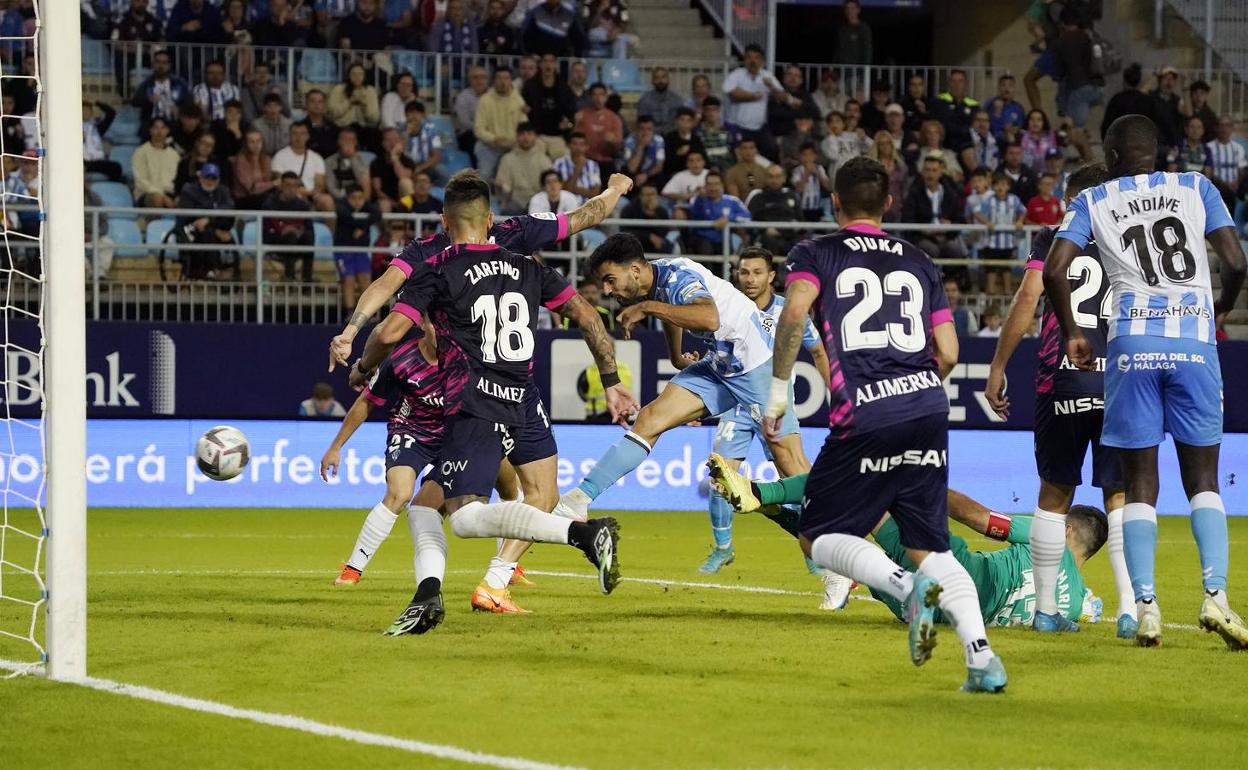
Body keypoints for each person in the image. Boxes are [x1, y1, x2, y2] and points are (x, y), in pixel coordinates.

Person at [759, 155, 1006, 692]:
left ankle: (902, 587)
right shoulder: (919, 259)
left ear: (835, 203)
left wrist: (778, 392)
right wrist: (913, 383)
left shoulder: (815, 252)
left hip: (865, 411)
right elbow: (948, 351)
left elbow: (795, 313)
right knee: (931, 547)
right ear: (889, 204)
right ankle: (982, 657)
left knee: (819, 534)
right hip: (926, 409)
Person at [349, 171, 634, 624]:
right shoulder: (529, 260)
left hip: (475, 402)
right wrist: (612, 380)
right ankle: (493, 585)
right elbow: (586, 312)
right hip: (525, 398)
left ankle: (584, 534)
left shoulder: (436, 266)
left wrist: (363, 365)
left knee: (457, 517)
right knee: (540, 493)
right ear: (492, 218)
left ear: (444, 219)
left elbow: (388, 329)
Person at [1042, 114, 1248, 649]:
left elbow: (1054, 267)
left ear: (1109, 158)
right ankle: (1216, 597)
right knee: (1204, 479)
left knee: (1138, 484)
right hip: (1194, 342)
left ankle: (1146, 606)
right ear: (1159, 154)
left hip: (1131, 345)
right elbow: (1236, 261)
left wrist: (1072, 333)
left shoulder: (1092, 200)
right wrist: (1220, 306)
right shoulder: (1196, 186)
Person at [552, 233, 834, 596]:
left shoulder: (678, 276)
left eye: (610, 279)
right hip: (719, 365)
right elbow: (676, 316)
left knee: (791, 469)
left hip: (756, 367)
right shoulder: (655, 282)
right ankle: (578, 500)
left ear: (635, 270)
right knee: (650, 418)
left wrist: (648, 309)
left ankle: (838, 557)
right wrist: (674, 353)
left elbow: (709, 317)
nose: (608, 290)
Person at [982, 163, 1136, 635]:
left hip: (1062, 378)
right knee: (1121, 497)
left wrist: (998, 366)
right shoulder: (1129, 237)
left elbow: (1029, 298)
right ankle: (1131, 608)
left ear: (1072, 202)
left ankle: (1046, 611)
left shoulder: (1053, 239)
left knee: (1053, 497)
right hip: (1120, 379)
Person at [708, 467, 1108, 630]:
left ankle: (764, 494)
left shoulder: (1049, 534)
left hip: (955, 569)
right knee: (853, 549)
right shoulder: (1072, 607)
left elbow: (983, 519)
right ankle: (775, 510)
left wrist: (929, 490)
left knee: (861, 473)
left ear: (1067, 527)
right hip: (935, 617)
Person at [320, 328, 529, 618]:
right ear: (422, 322)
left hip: (457, 437)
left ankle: (509, 562)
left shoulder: (467, 356)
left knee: (508, 483)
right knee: (399, 493)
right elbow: (366, 403)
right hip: (411, 433)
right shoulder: (401, 359)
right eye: (433, 324)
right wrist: (336, 447)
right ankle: (353, 568)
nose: (439, 331)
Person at [701, 248, 841, 602]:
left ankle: (819, 552)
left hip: (774, 406)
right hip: (735, 405)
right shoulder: (725, 307)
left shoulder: (787, 311)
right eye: (744, 272)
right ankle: (723, 547)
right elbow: (720, 357)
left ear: (770, 276)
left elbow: (819, 352)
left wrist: (836, 392)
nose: (749, 279)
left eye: (756, 273)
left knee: (796, 480)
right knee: (721, 475)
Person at [1051, 6, 1102, 161]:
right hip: (1096, 86)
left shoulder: (1062, 42)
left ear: (1062, 23)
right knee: (1079, 128)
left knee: (1075, 131)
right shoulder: (1088, 36)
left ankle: (1090, 164)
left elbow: (1059, 71)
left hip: (1077, 88)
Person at [722, 44, 787, 161]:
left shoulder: (767, 75)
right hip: (738, 126)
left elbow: (783, 97)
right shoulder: (737, 74)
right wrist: (752, 96)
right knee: (737, 156)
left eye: (756, 57)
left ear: (762, 60)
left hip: (760, 127)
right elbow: (731, 91)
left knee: (772, 150)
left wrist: (772, 87)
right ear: (745, 60)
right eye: (749, 57)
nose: (753, 61)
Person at [901, 155, 967, 266]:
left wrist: (950, 225)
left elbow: (960, 220)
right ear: (922, 172)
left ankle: (953, 282)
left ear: (941, 173)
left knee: (955, 249)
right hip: (923, 237)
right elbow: (907, 219)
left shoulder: (951, 195)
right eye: (927, 170)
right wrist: (923, 229)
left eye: (934, 170)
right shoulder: (914, 194)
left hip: (947, 236)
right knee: (930, 249)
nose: (930, 174)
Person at [175, 163, 236, 280]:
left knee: (226, 228)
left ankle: (233, 272)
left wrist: (208, 219)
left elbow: (229, 207)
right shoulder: (189, 190)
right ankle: (210, 270)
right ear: (200, 177)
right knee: (206, 233)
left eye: (214, 178)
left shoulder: (223, 191)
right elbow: (189, 214)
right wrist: (211, 222)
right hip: (189, 229)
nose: (210, 181)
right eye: (207, 177)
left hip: (213, 226)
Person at [972, 172, 1025, 296]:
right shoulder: (989, 201)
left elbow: (1022, 211)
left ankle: (1007, 293)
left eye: (1003, 184)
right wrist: (987, 222)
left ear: (1008, 186)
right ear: (993, 187)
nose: (1000, 187)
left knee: (1007, 268)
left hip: (1008, 241)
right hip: (991, 241)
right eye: (997, 185)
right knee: (991, 269)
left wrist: (1019, 221)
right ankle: (990, 293)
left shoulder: (1014, 199)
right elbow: (977, 213)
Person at [473, 66, 527, 181]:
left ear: (510, 81)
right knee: (484, 175)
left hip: (512, 145)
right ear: (493, 81)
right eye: (499, 78)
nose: (503, 82)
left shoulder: (519, 101)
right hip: (489, 145)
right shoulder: (484, 100)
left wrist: (513, 141)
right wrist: (494, 139)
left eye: (506, 78)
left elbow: (523, 126)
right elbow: (478, 129)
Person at [333, 184, 381, 309]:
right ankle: (350, 312)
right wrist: (362, 225)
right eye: (353, 198)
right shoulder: (341, 206)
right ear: (347, 198)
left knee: (365, 279)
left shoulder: (367, 206)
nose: (357, 201)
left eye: (360, 198)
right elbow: (345, 216)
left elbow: (378, 213)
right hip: (343, 249)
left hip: (361, 250)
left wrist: (361, 227)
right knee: (348, 279)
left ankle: (367, 312)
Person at [521, 53, 577, 160]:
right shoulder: (530, 86)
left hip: (558, 136)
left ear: (555, 64)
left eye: (551, 61)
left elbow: (571, 115)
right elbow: (523, 112)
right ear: (540, 65)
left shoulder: (564, 87)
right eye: (545, 61)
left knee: (565, 158)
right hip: (537, 135)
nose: (548, 64)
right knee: (534, 159)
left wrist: (568, 124)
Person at [263, 171, 316, 283]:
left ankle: (307, 280)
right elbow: (268, 229)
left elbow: (309, 228)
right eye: (288, 185)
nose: (291, 189)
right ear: (281, 186)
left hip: (297, 241)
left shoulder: (303, 205)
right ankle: (289, 279)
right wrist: (284, 230)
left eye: (294, 186)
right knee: (290, 237)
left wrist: (299, 232)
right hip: (277, 242)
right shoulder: (270, 203)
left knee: (309, 236)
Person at [683, 171, 750, 255]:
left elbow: (747, 216)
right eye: (709, 184)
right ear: (705, 186)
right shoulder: (698, 200)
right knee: (705, 248)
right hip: (702, 241)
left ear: (722, 185)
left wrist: (729, 218)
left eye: (716, 184)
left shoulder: (733, 201)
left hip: (724, 240)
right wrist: (700, 199)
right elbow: (696, 215)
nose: (713, 188)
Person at [495, 122, 553, 214]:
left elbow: (550, 185)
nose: (526, 138)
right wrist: (504, 189)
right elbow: (502, 185)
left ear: (535, 137)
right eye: (522, 134)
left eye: (529, 134)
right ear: (517, 136)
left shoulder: (544, 159)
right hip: (515, 206)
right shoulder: (507, 159)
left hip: (539, 205)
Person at [271, 122, 329, 209]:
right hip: (289, 194)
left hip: (312, 195)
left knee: (327, 201)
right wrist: (298, 192)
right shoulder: (279, 156)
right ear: (289, 136)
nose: (298, 137)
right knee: (298, 199)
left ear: (308, 136)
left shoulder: (317, 158)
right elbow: (280, 184)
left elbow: (320, 185)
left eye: (302, 133)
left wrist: (306, 193)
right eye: (295, 133)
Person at [746, 163, 801, 255]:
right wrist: (764, 230)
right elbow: (748, 222)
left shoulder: (792, 195)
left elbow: (800, 221)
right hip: (764, 239)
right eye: (771, 177)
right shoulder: (757, 196)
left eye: (778, 176)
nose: (774, 180)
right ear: (766, 178)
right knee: (769, 241)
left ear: (784, 178)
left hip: (788, 238)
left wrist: (781, 232)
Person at [130, 49, 191, 129]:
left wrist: (180, 109)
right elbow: (135, 102)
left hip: (175, 124)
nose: (161, 66)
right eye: (157, 62)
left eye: (164, 62)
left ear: (169, 65)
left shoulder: (180, 84)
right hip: (151, 125)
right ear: (153, 64)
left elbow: (190, 103)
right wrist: (148, 99)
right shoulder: (146, 84)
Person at [1100, 63, 1161, 143]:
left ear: (1124, 81)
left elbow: (1106, 126)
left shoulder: (1117, 99)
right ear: (1139, 82)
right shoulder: (1148, 101)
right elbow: (1156, 124)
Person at [574, 83, 623, 175]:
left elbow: (618, 149)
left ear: (606, 97)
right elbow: (575, 141)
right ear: (590, 97)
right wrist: (575, 125)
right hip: (586, 160)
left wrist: (612, 142)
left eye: (601, 95)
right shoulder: (581, 115)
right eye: (595, 95)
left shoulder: (614, 118)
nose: (598, 98)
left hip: (606, 161)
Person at [132, 117, 180, 208]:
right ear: (150, 130)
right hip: (147, 193)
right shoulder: (140, 152)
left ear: (167, 131)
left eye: (162, 128)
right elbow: (140, 182)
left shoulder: (174, 154)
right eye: (156, 128)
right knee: (157, 198)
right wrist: (161, 195)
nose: (159, 131)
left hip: (169, 193)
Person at [370, 128, 417, 213]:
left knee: (406, 183)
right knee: (384, 205)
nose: (392, 143)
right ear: (383, 143)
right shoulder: (376, 163)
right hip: (385, 200)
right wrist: (393, 203)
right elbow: (377, 190)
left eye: (395, 139)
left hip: (404, 200)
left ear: (401, 142)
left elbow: (404, 178)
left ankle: (410, 223)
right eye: (388, 140)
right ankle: (387, 226)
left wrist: (395, 158)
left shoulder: (408, 161)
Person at [1206, 114, 1247, 210]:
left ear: (1232, 128)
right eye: (1221, 125)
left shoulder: (1238, 147)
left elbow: (1242, 169)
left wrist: (1236, 182)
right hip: (1215, 189)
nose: (1224, 129)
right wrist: (1225, 185)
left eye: (1227, 125)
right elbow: (1209, 172)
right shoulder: (1209, 147)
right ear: (1216, 128)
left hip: (1233, 190)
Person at [868, 129, 909, 223]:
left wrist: (904, 206)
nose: (885, 147)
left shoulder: (900, 164)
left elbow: (905, 187)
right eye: (882, 144)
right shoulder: (872, 166)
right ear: (877, 146)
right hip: (877, 209)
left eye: (888, 143)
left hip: (897, 209)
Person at [933, 69, 979, 152]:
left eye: (960, 81)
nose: (956, 84)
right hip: (946, 145)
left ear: (966, 84)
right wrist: (966, 129)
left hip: (967, 145)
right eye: (953, 81)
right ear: (949, 84)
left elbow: (975, 126)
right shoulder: (940, 101)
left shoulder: (973, 104)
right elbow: (945, 124)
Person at [401, 100, 446, 184]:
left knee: (442, 170)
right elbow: (398, 152)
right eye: (411, 112)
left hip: (425, 166)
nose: (414, 116)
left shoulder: (433, 130)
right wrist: (406, 134)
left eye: (417, 112)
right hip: (405, 166)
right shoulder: (400, 130)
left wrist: (419, 168)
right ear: (405, 115)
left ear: (423, 115)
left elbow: (437, 156)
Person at [620, 182, 673, 254]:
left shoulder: (661, 211)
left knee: (667, 244)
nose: (650, 198)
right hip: (635, 244)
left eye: (653, 194)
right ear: (641, 196)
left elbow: (664, 232)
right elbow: (624, 231)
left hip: (655, 245)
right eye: (648, 195)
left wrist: (653, 215)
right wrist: (648, 236)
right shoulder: (629, 209)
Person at [521, 0, 587, 56]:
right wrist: (530, 54)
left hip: (562, 59)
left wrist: (575, 55)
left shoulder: (570, 15)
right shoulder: (535, 12)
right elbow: (524, 36)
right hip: (539, 58)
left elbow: (579, 39)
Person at [659, 107, 704, 189]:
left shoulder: (696, 139)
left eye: (688, 120)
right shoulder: (669, 138)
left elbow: (703, 159)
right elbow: (665, 163)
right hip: (673, 174)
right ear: (676, 121)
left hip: (693, 174)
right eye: (682, 120)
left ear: (693, 123)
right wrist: (677, 154)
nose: (685, 123)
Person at [325, 127, 371, 204]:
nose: (348, 143)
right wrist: (348, 197)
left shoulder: (363, 161)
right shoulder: (329, 162)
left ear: (356, 142)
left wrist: (352, 159)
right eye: (344, 140)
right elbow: (331, 187)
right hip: (339, 200)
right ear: (338, 142)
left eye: (351, 140)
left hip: (360, 200)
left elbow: (365, 186)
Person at [553, 131, 602, 204]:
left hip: (588, 206)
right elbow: (561, 190)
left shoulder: (593, 165)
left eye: (582, 144)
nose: (578, 147)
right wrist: (578, 168)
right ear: (568, 145)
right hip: (566, 207)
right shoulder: (559, 163)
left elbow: (595, 194)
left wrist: (572, 188)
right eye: (575, 144)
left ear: (586, 147)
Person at [231, 129, 275, 209]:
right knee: (268, 200)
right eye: (252, 141)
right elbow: (252, 189)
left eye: (259, 141)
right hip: (244, 200)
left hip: (263, 197)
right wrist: (273, 183)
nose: (256, 145)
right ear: (246, 144)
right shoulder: (241, 160)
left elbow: (268, 181)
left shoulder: (267, 159)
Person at [82, 99, 123, 182]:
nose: (85, 112)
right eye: (82, 110)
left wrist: (97, 102)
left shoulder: (97, 128)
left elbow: (111, 113)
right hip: (81, 161)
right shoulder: (71, 129)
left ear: (91, 113)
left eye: (87, 110)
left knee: (116, 167)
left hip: (95, 161)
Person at [453, 66, 489, 161]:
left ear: (487, 79)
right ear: (469, 80)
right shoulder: (463, 97)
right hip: (470, 134)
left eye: (482, 77)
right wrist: (483, 130)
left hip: (491, 132)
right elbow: (465, 123)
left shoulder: (493, 95)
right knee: (475, 145)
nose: (479, 80)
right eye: (475, 77)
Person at [637, 67, 685, 135]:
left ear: (668, 80)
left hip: (673, 135)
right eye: (657, 78)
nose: (660, 80)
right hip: (652, 136)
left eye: (663, 77)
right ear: (652, 81)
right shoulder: (645, 100)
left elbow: (681, 122)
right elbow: (643, 123)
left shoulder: (677, 100)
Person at [622, 114, 665, 189]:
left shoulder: (658, 140)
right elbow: (631, 168)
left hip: (650, 173)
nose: (645, 133)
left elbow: (659, 166)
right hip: (633, 174)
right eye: (642, 129)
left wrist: (646, 175)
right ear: (636, 129)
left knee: (661, 176)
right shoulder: (629, 142)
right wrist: (640, 146)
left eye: (649, 129)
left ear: (653, 130)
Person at [790, 141, 830, 221]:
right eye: (805, 155)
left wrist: (818, 174)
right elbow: (799, 189)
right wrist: (806, 174)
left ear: (815, 156)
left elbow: (828, 187)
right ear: (800, 156)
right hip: (802, 208)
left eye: (810, 154)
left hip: (817, 208)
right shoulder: (796, 171)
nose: (808, 157)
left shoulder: (820, 168)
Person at [241, 61, 288, 125]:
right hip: (256, 126)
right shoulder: (246, 92)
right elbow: (248, 116)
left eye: (265, 72)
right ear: (254, 75)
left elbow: (287, 113)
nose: (262, 75)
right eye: (258, 72)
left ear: (269, 75)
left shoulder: (277, 89)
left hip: (276, 125)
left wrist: (280, 96)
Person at [300, 89, 340, 160]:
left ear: (324, 105)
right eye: (312, 101)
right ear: (306, 104)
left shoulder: (334, 128)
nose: (316, 104)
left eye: (320, 101)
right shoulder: (299, 128)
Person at [987, 74, 1026, 145]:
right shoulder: (989, 104)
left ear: (1014, 89)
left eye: (1010, 86)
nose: (1006, 89)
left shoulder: (1019, 108)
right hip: (992, 143)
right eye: (1003, 85)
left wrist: (1015, 129)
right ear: (999, 88)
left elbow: (1021, 127)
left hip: (1013, 143)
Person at [697, 96, 733, 174]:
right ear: (703, 111)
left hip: (728, 170)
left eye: (714, 109)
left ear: (719, 110)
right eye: (708, 110)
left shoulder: (729, 130)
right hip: (706, 171)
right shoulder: (697, 132)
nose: (711, 113)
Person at [251, 93, 292, 157]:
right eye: (269, 106)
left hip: (285, 158)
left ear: (281, 107)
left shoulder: (289, 124)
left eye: (276, 105)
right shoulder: (256, 125)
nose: (273, 109)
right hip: (263, 157)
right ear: (264, 108)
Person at [960, 109, 999, 174]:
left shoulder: (994, 139)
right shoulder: (966, 137)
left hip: (991, 176)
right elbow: (971, 164)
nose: (982, 124)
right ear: (972, 122)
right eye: (978, 120)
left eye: (985, 121)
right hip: (972, 176)